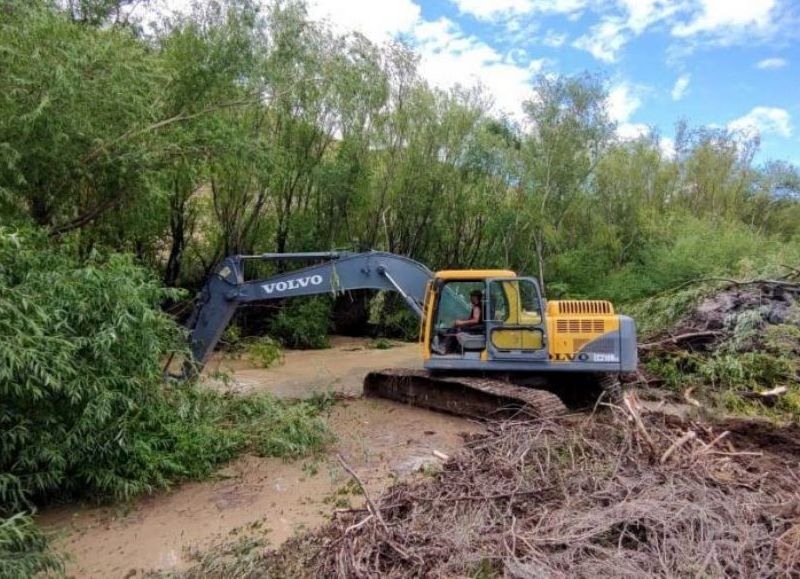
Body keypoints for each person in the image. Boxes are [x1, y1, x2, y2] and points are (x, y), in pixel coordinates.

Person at [432, 290, 483, 354]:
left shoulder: (477, 307)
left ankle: (444, 347)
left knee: (456, 328)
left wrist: (461, 323)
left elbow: (476, 320)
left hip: (474, 330)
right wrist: (462, 319)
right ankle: (448, 347)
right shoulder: (479, 306)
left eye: (471, 297)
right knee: (456, 325)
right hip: (476, 328)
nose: (470, 298)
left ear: (475, 297)